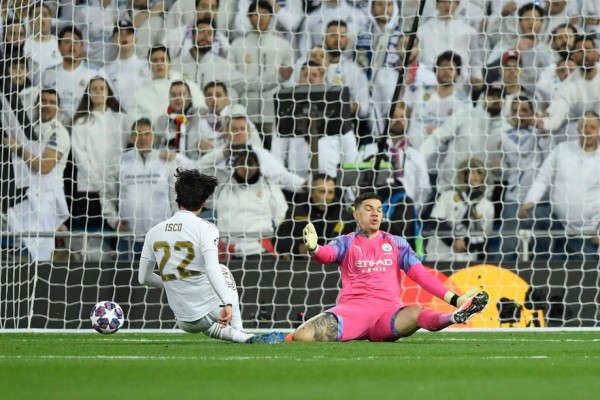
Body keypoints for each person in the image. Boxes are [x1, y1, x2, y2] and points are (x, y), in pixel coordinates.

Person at [287, 192, 489, 342]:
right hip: (352, 312)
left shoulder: (397, 243)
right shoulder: (346, 242)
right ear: (356, 215)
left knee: (415, 313)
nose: (375, 214)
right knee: (302, 336)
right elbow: (326, 255)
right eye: (368, 209)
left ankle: (455, 315)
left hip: (387, 314)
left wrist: (454, 299)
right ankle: (288, 337)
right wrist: (314, 248)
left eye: (379, 210)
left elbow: (420, 276)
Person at [138, 168, 285, 344]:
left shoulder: (154, 232)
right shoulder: (206, 228)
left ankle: (244, 338)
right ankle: (239, 328)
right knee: (222, 271)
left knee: (204, 309)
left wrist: (174, 281)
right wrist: (227, 303)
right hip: (211, 312)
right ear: (204, 202)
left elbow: (143, 278)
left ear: (177, 199)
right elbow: (212, 268)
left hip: (182, 320)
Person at [2, 89, 71, 261]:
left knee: (40, 251)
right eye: (43, 101)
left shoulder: (58, 131)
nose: (46, 105)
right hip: (26, 194)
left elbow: (45, 166)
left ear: (58, 107)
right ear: (36, 105)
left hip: (47, 198)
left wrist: (19, 149)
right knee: (24, 246)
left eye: (52, 102)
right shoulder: (29, 128)